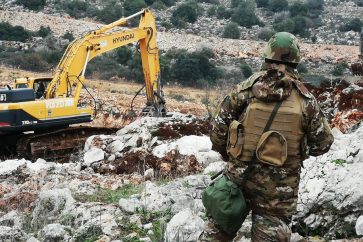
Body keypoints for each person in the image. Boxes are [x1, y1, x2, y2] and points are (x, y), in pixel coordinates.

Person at [209, 32, 334, 241]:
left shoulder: (245, 90)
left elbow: (218, 130)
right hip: (279, 191)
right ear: (296, 60)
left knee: (216, 234)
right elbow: (323, 143)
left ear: (266, 56)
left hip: (238, 177)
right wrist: (294, 152)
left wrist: (232, 156)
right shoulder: (306, 100)